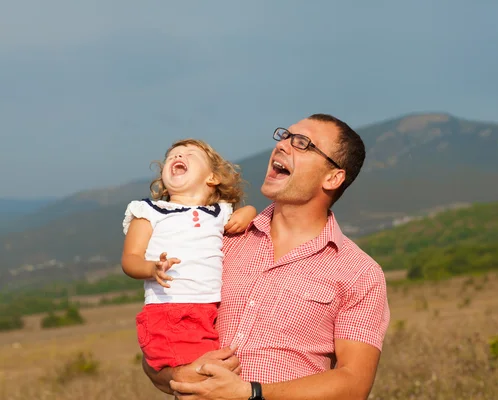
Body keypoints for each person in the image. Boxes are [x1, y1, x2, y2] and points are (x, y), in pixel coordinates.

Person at [143, 114, 390, 400]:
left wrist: (251, 393)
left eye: (303, 143)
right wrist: (175, 376)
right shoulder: (218, 243)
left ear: (333, 177)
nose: (283, 145)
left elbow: (354, 383)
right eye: (285, 136)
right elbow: (157, 340)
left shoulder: (360, 273)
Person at [121, 138, 256, 372]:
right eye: (171, 155)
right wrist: (151, 268)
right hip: (169, 310)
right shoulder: (150, 211)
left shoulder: (219, 212)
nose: (177, 156)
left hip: (211, 311)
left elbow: (247, 211)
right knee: (196, 375)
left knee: (213, 377)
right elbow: (130, 259)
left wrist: (247, 213)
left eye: (190, 154)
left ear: (212, 178)